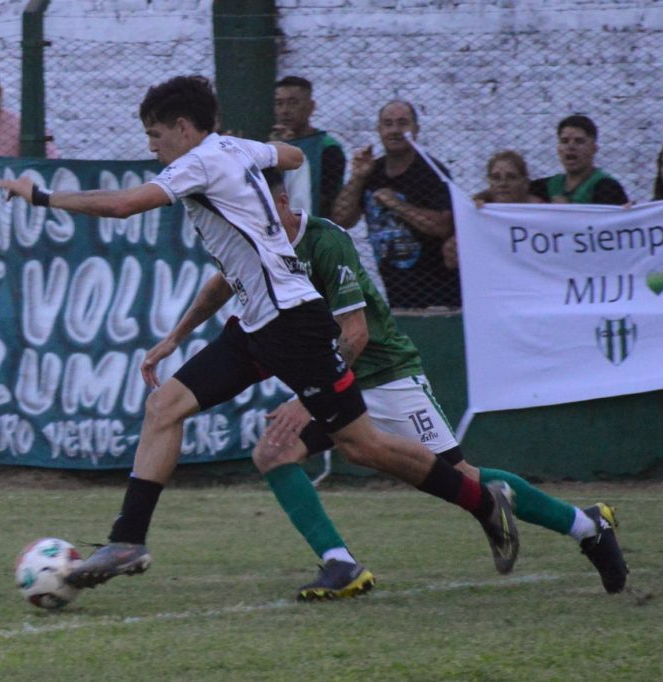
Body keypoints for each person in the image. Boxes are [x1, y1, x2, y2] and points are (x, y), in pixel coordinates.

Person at [0, 75, 518, 593]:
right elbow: (292, 157)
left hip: (294, 324)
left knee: (363, 447)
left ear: (183, 128)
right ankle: (128, 539)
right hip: (256, 325)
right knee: (164, 406)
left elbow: (122, 205)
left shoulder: (198, 162)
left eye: (155, 134)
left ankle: (482, 501)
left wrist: (41, 195)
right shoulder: (231, 150)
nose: (152, 147)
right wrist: (252, 153)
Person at [258, 169, 629, 596]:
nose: (246, 218)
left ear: (281, 203)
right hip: (336, 380)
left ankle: (586, 525)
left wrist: (311, 395)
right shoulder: (258, 249)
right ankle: (340, 563)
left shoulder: (326, 241)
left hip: (384, 374)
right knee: (276, 451)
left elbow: (355, 335)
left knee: (461, 477)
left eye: (255, 208)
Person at [331, 100, 456, 309]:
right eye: (388, 124)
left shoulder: (432, 171)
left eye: (402, 123)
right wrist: (357, 177)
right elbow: (341, 219)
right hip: (396, 292)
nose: (395, 130)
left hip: (439, 293)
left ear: (416, 130)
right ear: (379, 130)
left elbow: (443, 226)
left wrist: (397, 205)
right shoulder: (372, 171)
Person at [443, 150, 544, 271]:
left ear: (525, 183)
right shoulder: (479, 210)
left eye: (511, 177)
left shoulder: (542, 211)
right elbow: (450, 261)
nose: (503, 183)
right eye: (496, 178)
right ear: (489, 182)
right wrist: (454, 250)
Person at [269, 75, 346, 219]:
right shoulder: (268, 147)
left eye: (293, 103)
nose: (285, 110)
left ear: (311, 107)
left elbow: (325, 201)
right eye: (279, 103)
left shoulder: (328, 148)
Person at [529, 114, 628, 205]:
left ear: (594, 148)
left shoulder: (607, 188)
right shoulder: (545, 187)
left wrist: (568, 210)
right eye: (564, 141)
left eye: (579, 141)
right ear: (558, 149)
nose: (571, 146)